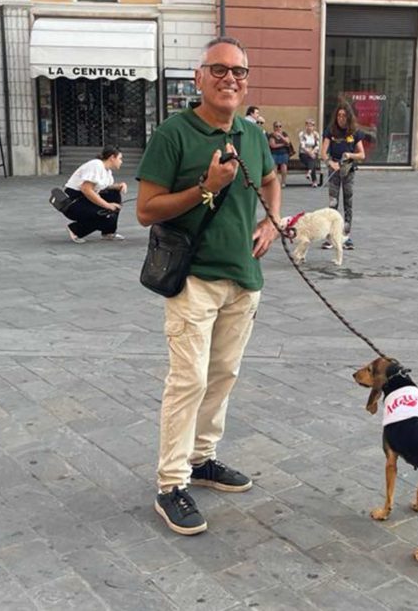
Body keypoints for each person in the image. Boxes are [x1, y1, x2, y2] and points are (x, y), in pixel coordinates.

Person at [135, 36, 280, 536]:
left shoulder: (251, 134)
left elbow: (271, 179)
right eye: (218, 69)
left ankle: (202, 459)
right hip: (193, 278)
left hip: (243, 278)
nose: (229, 79)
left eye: (238, 71)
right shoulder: (173, 134)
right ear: (199, 77)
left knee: (222, 375)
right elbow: (145, 210)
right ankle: (171, 484)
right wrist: (206, 188)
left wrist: (271, 222)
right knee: (188, 381)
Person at [321, 102, 365, 250]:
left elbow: (362, 155)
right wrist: (329, 162)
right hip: (334, 170)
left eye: (344, 116)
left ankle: (346, 236)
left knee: (348, 203)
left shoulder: (354, 132)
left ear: (348, 117)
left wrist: (350, 155)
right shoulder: (330, 130)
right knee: (332, 204)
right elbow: (323, 152)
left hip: (348, 170)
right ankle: (330, 237)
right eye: (339, 115)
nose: (341, 118)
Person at [62, 145, 127, 242]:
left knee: (114, 194)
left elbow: (104, 187)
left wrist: (119, 186)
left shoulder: (107, 171)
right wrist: (108, 205)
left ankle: (108, 232)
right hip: (73, 202)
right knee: (106, 214)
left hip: (84, 199)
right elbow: (86, 189)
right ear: (112, 157)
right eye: (120, 158)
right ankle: (75, 229)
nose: (121, 161)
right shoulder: (96, 165)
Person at [267, 121, 292, 187]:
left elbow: (288, 142)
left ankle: (283, 182)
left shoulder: (284, 134)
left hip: (284, 153)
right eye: (276, 126)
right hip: (274, 153)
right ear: (274, 127)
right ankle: (275, 182)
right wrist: (283, 144)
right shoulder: (271, 135)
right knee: (274, 167)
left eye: (280, 126)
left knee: (284, 166)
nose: (278, 128)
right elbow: (273, 145)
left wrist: (281, 136)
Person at [298, 118, 321, 187]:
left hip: (313, 152)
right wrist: (310, 153)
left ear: (313, 127)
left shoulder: (316, 134)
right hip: (304, 154)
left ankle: (309, 172)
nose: (309, 127)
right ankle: (314, 180)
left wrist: (312, 152)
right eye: (308, 125)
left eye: (311, 126)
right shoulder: (302, 134)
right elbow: (303, 146)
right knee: (312, 159)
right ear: (305, 126)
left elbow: (317, 146)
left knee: (312, 158)